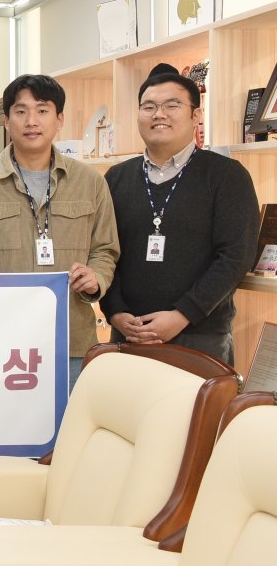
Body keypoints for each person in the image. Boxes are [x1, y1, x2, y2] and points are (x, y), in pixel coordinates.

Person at [0, 74, 119, 390]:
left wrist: (96, 277)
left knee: (71, 421)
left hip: (71, 341)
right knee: (4, 420)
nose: (31, 121)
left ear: (59, 119)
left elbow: (105, 248)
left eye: (42, 110)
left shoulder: (90, 181)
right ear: (6, 120)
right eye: (20, 111)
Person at [102, 64, 259, 365]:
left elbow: (236, 256)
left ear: (195, 115)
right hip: (129, 334)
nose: (158, 114)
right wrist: (115, 311)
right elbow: (103, 251)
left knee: (197, 400)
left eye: (172, 105)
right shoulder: (116, 178)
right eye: (149, 107)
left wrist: (183, 314)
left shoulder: (226, 175)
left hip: (200, 336)